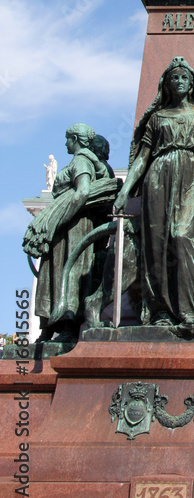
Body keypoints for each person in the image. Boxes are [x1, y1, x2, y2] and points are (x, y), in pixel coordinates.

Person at [114, 56, 194, 332]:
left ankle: (190, 310)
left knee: (183, 236)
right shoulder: (158, 118)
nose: (179, 81)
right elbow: (143, 157)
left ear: (192, 83)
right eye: (174, 77)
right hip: (158, 177)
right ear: (167, 84)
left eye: (184, 77)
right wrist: (125, 190)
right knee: (158, 245)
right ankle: (161, 309)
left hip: (192, 176)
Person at [24, 124, 118, 342]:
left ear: (76, 139)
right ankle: (48, 328)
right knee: (53, 275)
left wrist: (57, 217)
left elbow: (83, 191)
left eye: (68, 139)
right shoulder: (84, 160)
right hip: (67, 227)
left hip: (72, 226)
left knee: (68, 272)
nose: (65, 143)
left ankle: (67, 327)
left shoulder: (81, 160)